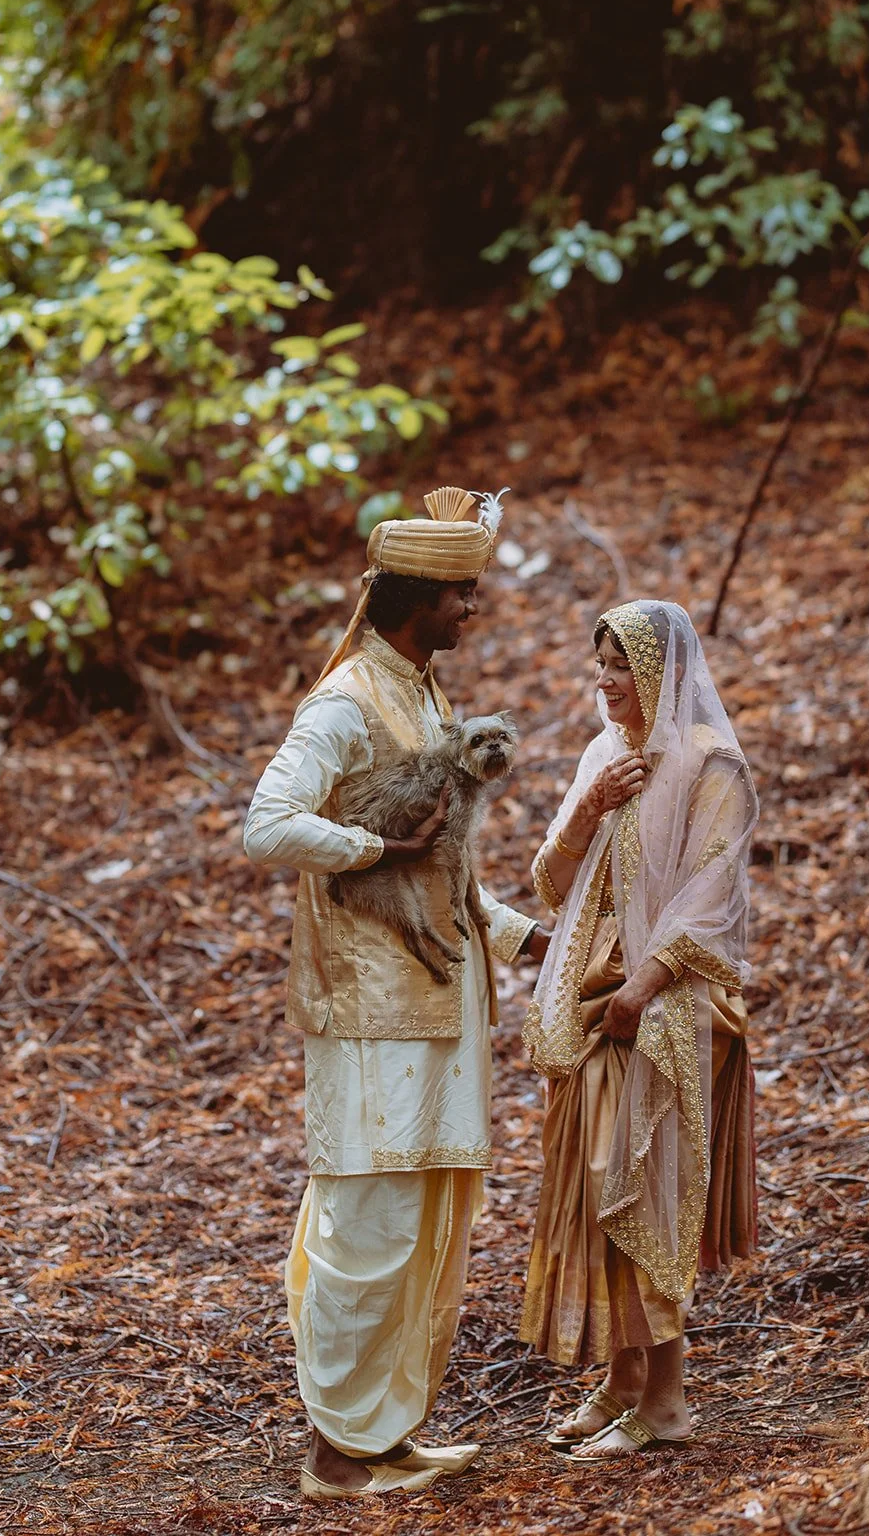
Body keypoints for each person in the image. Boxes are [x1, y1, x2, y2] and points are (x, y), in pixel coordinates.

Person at [244, 486, 547, 1500]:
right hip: (369, 1010)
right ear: (416, 595)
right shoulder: (342, 701)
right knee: (367, 1222)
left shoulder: (423, 692)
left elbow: (443, 866)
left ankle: (384, 1431)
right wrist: (368, 844)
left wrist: (521, 934)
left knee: (420, 1220)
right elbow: (267, 824)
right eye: (462, 593)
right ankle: (336, 1448)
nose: (474, 610)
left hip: (436, 998)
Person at [520, 599, 758, 1462]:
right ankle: (619, 1385)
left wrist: (646, 986)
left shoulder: (709, 764)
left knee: (643, 1190)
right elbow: (551, 880)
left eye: (619, 664)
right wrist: (588, 805)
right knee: (595, 1194)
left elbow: (713, 894)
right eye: (600, 663)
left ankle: (665, 1401)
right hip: (590, 1007)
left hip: (662, 1011)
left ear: (662, 671)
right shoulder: (603, 755)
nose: (604, 680)